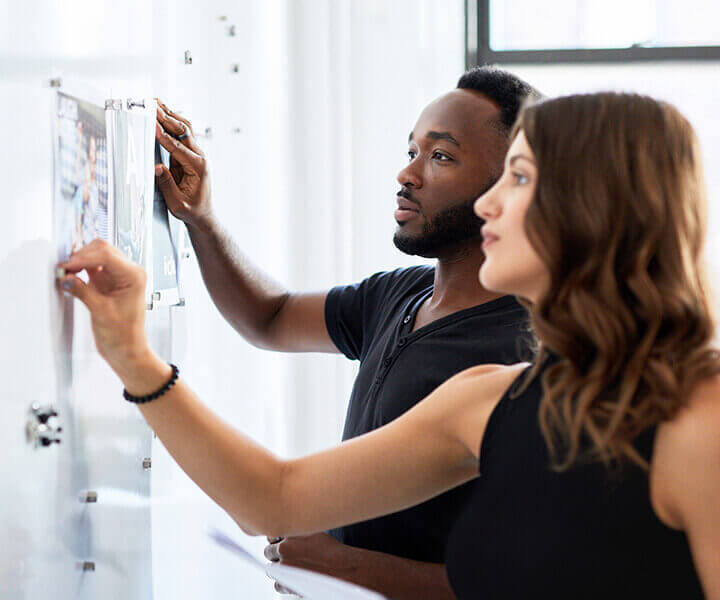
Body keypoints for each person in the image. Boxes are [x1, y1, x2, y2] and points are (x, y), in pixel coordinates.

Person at [59, 91, 720, 599]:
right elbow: (273, 497)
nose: (491, 205)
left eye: (517, 179)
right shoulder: (487, 400)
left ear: (593, 206)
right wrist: (135, 359)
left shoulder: (702, 414)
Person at [150, 67, 537, 598]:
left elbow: (532, 582)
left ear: (509, 187)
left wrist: (350, 569)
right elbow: (270, 317)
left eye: (441, 156)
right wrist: (202, 220)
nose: (408, 174)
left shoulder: (522, 356)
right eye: (412, 151)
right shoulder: (400, 294)